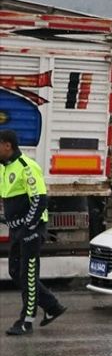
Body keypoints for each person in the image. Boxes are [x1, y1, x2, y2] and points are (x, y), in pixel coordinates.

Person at [1, 129, 67, 336]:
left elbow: (40, 200)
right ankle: (52, 306)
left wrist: (28, 227)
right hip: (16, 230)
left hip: (30, 230)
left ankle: (26, 322)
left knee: (28, 276)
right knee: (14, 271)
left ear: (7, 145)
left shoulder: (27, 167)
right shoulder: (4, 167)